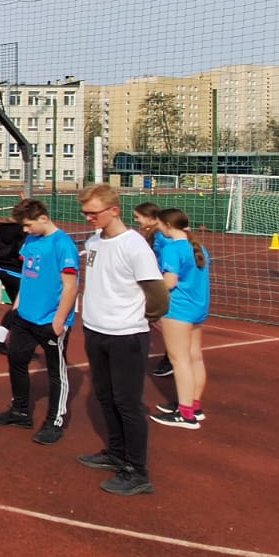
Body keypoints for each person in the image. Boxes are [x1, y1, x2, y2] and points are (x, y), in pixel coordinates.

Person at [75, 184, 169, 496]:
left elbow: (158, 295)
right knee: (104, 395)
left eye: (93, 213)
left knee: (128, 403)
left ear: (114, 210)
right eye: (85, 213)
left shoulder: (134, 246)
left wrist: (139, 318)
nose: (88, 218)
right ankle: (116, 453)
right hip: (95, 330)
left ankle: (137, 471)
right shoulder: (94, 241)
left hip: (126, 335)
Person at [0, 199, 79, 446]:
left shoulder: (63, 245)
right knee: (16, 360)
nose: (25, 230)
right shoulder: (31, 240)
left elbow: (70, 287)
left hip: (50, 320)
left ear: (43, 218)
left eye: (28, 225)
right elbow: (27, 277)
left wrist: (59, 321)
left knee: (56, 372)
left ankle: (54, 421)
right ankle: (20, 411)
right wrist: (16, 307)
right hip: (24, 317)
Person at [149, 208, 211, 429]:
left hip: (178, 310)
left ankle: (185, 414)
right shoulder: (198, 247)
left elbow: (169, 282)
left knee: (179, 360)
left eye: (159, 224)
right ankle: (193, 406)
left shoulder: (172, 249)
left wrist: (147, 290)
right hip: (197, 308)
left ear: (167, 225)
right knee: (195, 358)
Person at [134, 202, 173, 377]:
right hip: (155, 281)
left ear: (150, 218)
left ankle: (172, 357)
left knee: (162, 321)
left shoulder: (162, 237)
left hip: (161, 283)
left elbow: (169, 258)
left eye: (139, 217)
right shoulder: (153, 234)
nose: (136, 220)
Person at [0, 211, 28, 353]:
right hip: (18, 273)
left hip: (4, 272)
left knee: (18, 307)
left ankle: (1, 339)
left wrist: (0, 265)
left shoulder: (0, 230)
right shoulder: (23, 232)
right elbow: (24, 253)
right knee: (22, 309)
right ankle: (16, 344)